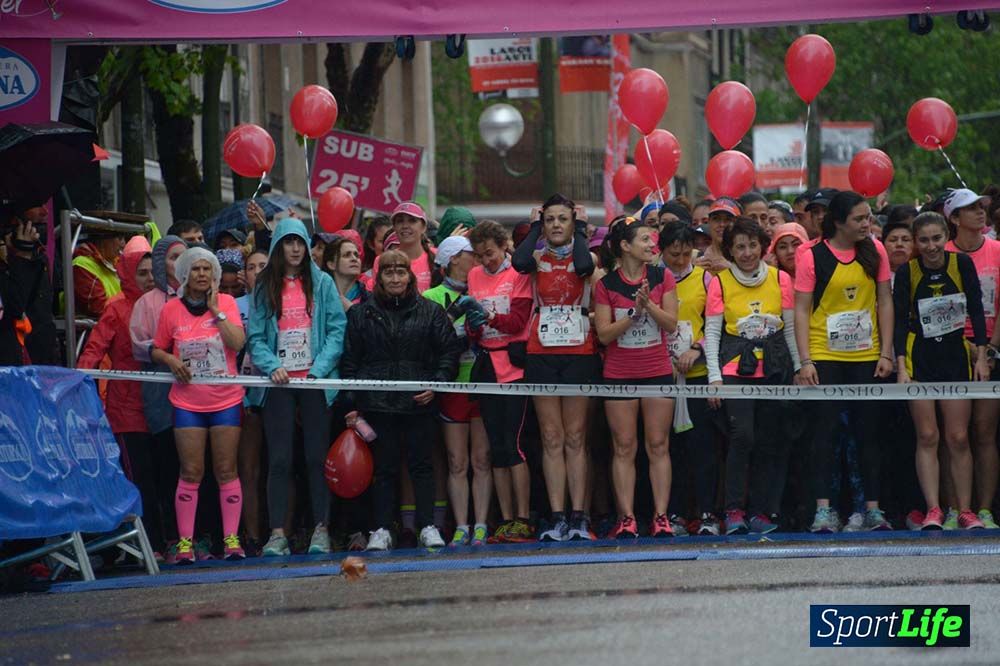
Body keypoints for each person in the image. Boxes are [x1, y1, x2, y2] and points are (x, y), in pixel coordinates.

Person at [341, 249, 460, 551]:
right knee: (383, 469)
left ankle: (427, 525)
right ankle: (380, 529)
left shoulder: (430, 312)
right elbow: (350, 361)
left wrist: (437, 385)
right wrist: (353, 404)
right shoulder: (360, 314)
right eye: (388, 272)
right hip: (377, 405)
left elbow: (449, 353)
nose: (395, 278)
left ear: (410, 276)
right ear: (378, 277)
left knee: (422, 466)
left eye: (400, 272)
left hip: (419, 403)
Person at [794, 191, 895, 533]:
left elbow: (884, 302)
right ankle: (824, 510)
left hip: (867, 355)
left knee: (869, 435)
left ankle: (873, 510)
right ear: (838, 222)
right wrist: (805, 360)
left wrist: (886, 352)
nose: (867, 224)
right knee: (825, 433)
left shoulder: (875, 251)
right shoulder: (811, 256)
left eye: (869, 217)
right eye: (859, 219)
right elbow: (801, 309)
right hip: (825, 354)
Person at [246, 217, 347, 556]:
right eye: (288, 242)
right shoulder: (264, 287)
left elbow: (337, 330)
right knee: (279, 460)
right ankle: (277, 534)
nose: (294, 248)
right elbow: (256, 338)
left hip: (315, 383)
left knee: (317, 457)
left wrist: (318, 370)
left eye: (300, 242)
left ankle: (321, 528)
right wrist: (272, 366)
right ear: (278, 246)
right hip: (279, 385)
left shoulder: (323, 284)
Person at [894, 212, 992, 531]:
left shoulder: (960, 264)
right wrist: (900, 367)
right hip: (919, 358)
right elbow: (897, 321)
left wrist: (980, 355)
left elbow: (976, 309)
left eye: (937, 238)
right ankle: (934, 509)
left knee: (959, 437)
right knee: (927, 435)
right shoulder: (908, 271)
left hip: (955, 357)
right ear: (916, 242)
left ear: (945, 236)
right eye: (924, 240)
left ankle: (965, 510)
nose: (931, 246)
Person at [512, 194, 599, 542]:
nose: (556, 225)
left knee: (575, 437)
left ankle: (579, 516)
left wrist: (578, 228)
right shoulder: (534, 257)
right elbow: (518, 262)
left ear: (574, 223)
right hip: (542, 350)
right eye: (550, 220)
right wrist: (534, 229)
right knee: (551, 437)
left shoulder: (586, 253)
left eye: (563, 219)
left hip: (578, 350)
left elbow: (583, 268)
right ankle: (557, 515)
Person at [705, 218, 800, 534]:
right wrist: (714, 378)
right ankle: (733, 510)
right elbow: (713, 333)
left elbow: (790, 331)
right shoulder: (719, 282)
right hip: (735, 370)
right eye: (739, 247)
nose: (747, 253)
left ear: (763, 246)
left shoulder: (781, 280)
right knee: (742, 437)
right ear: (730, 251)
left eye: (752, 245)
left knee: (769, 441)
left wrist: (799, 368)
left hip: (775, 369)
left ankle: (761, 511)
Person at [151, 247, 246, 564]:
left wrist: (216, 311)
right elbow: (156, 349)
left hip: (225, 400)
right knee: (191, 471)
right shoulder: (171, 310)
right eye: (196, 269)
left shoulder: (228, 303)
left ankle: (231, 540)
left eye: (208, 269)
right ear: (184, 275)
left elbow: (237, 343)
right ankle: (185, 545)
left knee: (225, 470)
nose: (202, 274)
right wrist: (170, 360)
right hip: (187, 402)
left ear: (215, 275)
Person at [79, 237, 168, 551]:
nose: (148, 278)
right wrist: (80, 383)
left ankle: (165, 541)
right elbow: (93, 350)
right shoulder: (115, 308)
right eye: (141, 273)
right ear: (128, 273)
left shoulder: (165, 302)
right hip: (127, 408)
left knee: (163, 476)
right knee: (138, 478)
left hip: (160, 405)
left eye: (151, 272)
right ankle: (147, 546)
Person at [594, 217, 678, 538]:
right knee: (624, 446)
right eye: (644, 239)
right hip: (618, 373)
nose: (651, 245)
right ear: (626, 246)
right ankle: (626, 517)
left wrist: (649, 306)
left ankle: (660, 516)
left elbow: (670, 323)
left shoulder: (661, 276)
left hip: (656, 370)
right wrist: (632, 314)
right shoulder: (607, 284)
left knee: (658, 444)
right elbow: (603, 334)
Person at [463, 221, 536, 543]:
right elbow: (473, 327)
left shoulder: (519, 274)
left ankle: (523, 517)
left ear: (504, 246)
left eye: (490, 253)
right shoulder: (474, 276)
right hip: (486, 364)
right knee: (496, 446)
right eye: (479, 256)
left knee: (515, 444)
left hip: (514, 365)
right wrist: (473, 324)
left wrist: (488, 316)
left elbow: (518, 320)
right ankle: (505, 519)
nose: (485, 261)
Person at [422, 236, 492, 546]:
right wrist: (457, 325)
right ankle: (461, 525)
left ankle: (481, 524)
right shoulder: (431, 296)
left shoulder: (483, 286)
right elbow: (430, 342)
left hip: (484, 380)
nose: (475, 258)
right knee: (456, 461)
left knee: (481, 459)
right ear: (452, 259)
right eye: (469, 254)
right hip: (453, 385)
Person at [658, 222, 720, 534]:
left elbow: (716, 322)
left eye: (686, 253)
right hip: (662, 375)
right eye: (673, 254)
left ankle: (707, 512)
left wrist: (697, 349)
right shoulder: (654, 280)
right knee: (669, 448)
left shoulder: (705, 278)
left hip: (696, 373)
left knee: (702, 447)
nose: (680, 260)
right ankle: (676, 513)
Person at [944, 187, 1000, 529]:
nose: (981, 213)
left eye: (983, 207)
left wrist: (990, 348)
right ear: (954, 218)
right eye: (971, 208)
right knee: (955, 435)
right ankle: (954, 508)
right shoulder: (942, 251)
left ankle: (984, 509)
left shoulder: (997, 251)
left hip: (991, 349)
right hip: (949, 349)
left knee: (984, 433)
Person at [372, 202, 436, 293]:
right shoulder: (381, 260)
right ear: (394, 227)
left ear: (424, 227)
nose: (405, 226)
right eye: (400, 221)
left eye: (412, 221)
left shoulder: (437, 256)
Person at [73, 229, 125, 319]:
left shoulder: (115, 263)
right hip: (97, 330)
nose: (123, 244)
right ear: (103, 238)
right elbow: (98, 308)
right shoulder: (82, 264)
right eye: (119, 238)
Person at [322, 237, 369, 310]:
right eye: (347, 255)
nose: (354, 259)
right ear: (331, 264)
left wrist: (352, 309)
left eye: (356, 255)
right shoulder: (320, 297)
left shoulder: (370, 299)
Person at [696, 198, 740, 274]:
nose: (721, 224)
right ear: (709, 222)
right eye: (716, 219)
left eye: (727, 219)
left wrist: (732, 271)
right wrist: (693, 272)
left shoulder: (746, 256)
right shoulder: (695, 257)